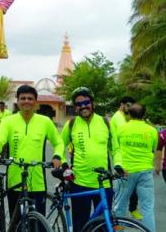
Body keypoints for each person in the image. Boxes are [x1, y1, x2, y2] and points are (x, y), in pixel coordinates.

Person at [0, 85, 63, 221]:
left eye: (30, 98)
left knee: (39, 224)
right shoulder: (8, 121)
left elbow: (58, 142)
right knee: (16, 222)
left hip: (38, 181)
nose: (26, 101)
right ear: (17, 101)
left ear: (35, 102)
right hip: (14, 180)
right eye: (23, 98)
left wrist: (57, 156)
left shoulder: (45, 121)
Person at [61, 87, 122, 232]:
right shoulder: (71, 124)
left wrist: (118, 165)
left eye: (86, 102)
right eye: (78, 104)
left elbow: (115, 149)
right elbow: (59, 145)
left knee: (103, 225)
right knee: (80, 225)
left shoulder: (106, 122)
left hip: (104, 182)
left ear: (93, 103)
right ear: (75, 107)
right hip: (79, 182)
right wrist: (64, 164)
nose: (83, 106)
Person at [114, 104, 158, 232]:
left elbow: (117, 148)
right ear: (144, 115)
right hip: (145, 172)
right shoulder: (152, 131)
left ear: (129, 115)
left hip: (125, 172)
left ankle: (118, 230)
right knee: (147, 207)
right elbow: (152, 148)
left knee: (120, 206)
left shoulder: (121, 129)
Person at [110, 96, 142, 220]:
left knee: (130, 187)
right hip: (122, 159)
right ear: (121, 104)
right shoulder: (118, 119)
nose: (130, 108)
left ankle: (130, 210)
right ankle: (117, 220)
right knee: (121, 191)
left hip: (126, 158)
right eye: (128, 105)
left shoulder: (123, 118)